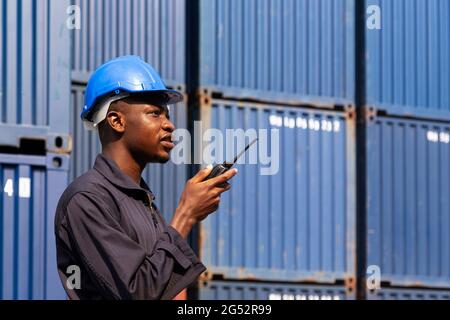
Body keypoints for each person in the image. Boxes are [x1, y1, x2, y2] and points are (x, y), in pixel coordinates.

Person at [54, 56, 237, 300]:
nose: (169, 125)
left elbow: (169, 289)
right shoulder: (87, 199)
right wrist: (186, 215)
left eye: (167, 115)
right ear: (117, 121)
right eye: (155, 114)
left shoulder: (141, 201)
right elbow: (138, 292)